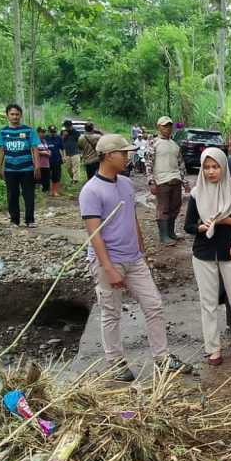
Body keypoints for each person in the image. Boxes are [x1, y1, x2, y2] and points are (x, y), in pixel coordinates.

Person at [79, 134, 191, 381]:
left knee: (153, 304)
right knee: (111, 312)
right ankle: (115, 361)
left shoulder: (126, 184)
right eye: (124, 153)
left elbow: (131, 218)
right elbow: (94, 234)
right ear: (109, 155)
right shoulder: (91, 191)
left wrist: (141, 250)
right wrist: (108, 267)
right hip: (107, 260)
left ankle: (162, 358)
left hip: (134, 259)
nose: (128, 157)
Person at [184, 148, 231, 366]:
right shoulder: (196, 193)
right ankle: (212, 349)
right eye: (207, 167)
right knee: (208, 303)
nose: (211, 172)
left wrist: (227, 221)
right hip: (203, 254)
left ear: (223, 166)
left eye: (215, 166)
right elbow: (188, 226)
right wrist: (202, 227)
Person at [145, 115, 190, 245]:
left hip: (175, 180)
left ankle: (171, 233)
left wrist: (185, 182)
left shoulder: (175, 145)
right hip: (162, 181)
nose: (168, 128)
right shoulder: (154, 143)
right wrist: (151, 181)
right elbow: (148, 163)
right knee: (163, 208)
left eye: (169, 125)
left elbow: (181, 165)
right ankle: (164, 236)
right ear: (159, 127)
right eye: (165, 126)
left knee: (175, 207)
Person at [0, 104, 41, 228]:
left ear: (20, 115)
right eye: (12, 114)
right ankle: (14, 220)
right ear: (7, 115)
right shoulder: (3, 131)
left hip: (27, 169)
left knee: (29, 195)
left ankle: (30, 220)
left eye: (17, 114)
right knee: (12, 195)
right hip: (10, 169)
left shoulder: (29, 130)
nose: (15, 116)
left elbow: (35, 149)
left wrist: (37, 166)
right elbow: (1, 150)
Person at [47, 125, 64, 197]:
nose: (53, 133)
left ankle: (55, 191)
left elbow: (62, 148)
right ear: (49, 132)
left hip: (57, 160)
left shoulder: (59, 138)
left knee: (56, 176)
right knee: (47, 176)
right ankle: (48, 190)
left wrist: (64, 156)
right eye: (51, 132)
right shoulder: (46, 138)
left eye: (54, 132)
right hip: (47, 160)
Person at [36, 126, 52, 193]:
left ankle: (46, 191)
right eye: (41, 132)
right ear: (38, 133)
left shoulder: (44, 141)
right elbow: (33, 151)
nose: (43, 134)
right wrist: (42, 152)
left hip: (46, 163)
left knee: (46, 178)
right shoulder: (35, 141)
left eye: (43, 132)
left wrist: (49, 152)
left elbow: (47, 149)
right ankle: (39, 191)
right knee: (39, 179)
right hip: (39, 163)